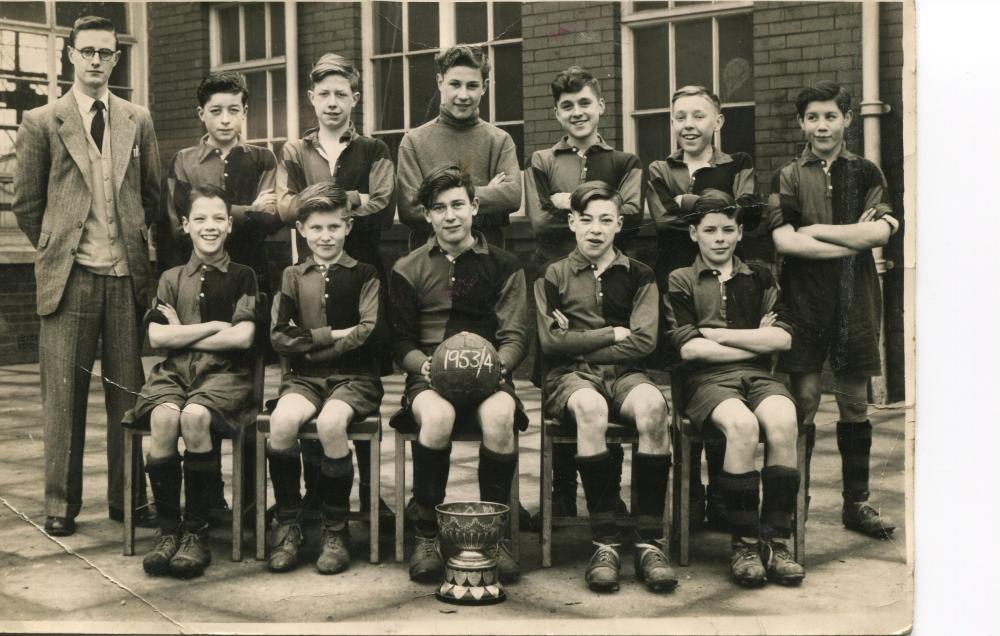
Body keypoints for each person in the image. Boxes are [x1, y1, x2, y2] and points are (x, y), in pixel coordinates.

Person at [12, 15, 161, 536]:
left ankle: (128, 500)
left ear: (116, 59)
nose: (96, 60)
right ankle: (60, 504)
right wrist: (59, 248)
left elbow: (151, 195)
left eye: (105, 52)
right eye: (87, 51)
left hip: (125, 279)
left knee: (129, 396)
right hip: (70, 279)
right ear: (70, 56)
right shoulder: (41, 122)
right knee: (63, 398)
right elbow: (27, 204)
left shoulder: (136, 119)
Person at [768, 81, 899, 539]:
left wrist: (816, 229)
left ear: (847, 119)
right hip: (803, 299)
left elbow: (880, 234)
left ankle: (855, 504)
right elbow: (784, 240)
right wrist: (849, 238)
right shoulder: (787, 174)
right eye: (812, 117)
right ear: (801, 123)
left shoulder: (866, 172)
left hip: (855, 297)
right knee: (802, 401)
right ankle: (793, 503)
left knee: (853, 402)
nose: (821, 125)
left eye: (830, 116)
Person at [388, 166, 529, 584]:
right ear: (427, 216)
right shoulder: (407, 267)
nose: (450, 216)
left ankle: (494, 535)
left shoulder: (504, 264)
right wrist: (424, 366)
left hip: (489, 375)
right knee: (437, 417)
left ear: (475, 206)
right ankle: (428, 533)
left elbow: (516, 335)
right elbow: (399, 342)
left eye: (458, 205)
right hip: (430, 376)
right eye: (439, 208)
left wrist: (497, 366)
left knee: (501, 416)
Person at [535, 181, 676, 594]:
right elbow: (549, 344)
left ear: (619, 224)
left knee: (653, 407)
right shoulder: (553, 274)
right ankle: (606, 542)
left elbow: (645, 340)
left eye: (606, 220)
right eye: (587, 220)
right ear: (572, 222)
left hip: (628, 374)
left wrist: (581, 339)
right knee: (590, 410)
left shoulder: (640, 274)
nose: (595, 230)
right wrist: (612, 333)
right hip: (570, 377)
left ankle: (650, 542)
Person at [275, 53, 396, 520]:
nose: (332, 102)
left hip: (361, 270)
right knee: (306, 374)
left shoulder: (374, 151)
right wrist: (350, 200)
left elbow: (383, 206)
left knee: (355, 376)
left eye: (341, 94)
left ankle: (368, 495)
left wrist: (321, 202)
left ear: (355, 99)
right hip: (307, 273)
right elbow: (285, 210)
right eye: (323, 94)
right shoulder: (293, 152)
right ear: (311, 99)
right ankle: (314, 496)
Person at [664, 189, 805, 587]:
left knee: (783, 419)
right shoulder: (681, 280)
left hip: (760, 377)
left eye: (728, 229)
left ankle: (777, 541)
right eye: (710, 230)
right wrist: (750, 340)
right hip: (707, 382)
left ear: (741, 232)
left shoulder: (760, 275)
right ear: (694, 234)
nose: (720, 238)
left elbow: (782, 340)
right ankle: (744, 545)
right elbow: (690, 349)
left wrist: (717, 335)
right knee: (742, 427)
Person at [159, 70, 282, 519]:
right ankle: (208, 503)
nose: (225, 119)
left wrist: (216, 210)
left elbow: (272, 219)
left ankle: (249, 507)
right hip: (198, 282)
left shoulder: (263, 159)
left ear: (245, 113)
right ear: (201, 115)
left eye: (234, 110)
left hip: (250, 280)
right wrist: (245, 212)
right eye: (216, 111)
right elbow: (176, 223)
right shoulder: (184, 160)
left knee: (248, 392)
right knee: (197, 377)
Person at [524, 65, 643, 525]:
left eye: (585, 103)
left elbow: (630, 217)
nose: (578, 113)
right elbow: (538, 223)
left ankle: (608, 497)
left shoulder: (625, 161)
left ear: (601, 106)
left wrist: (566, 202)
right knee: (561, 383)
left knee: (606, 379)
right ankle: (559, 498)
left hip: (607, 283)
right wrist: (589, 207)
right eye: (568, 106)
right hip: (556, 281)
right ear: (557, 112)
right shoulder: (541, 160)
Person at [122, 185, 258, 578]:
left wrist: (187, 330)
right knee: (164, 419)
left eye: (218, 218)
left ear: (230, 225)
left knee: (195, 417)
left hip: (224, 375)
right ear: (185, 225)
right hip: (174, 373)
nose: (209, 227)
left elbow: (243, 338)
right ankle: (169, 531)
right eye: (200, 219)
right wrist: (217, 324)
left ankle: (195, 533)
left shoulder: (244, 276)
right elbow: (158, 338)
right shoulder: (169, 278)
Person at [645, 85, 759, 530]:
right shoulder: (659, 168)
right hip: (674, 280)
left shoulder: (739, 164)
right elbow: (660, 220)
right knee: (681, 385)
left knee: (720, 382)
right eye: (679, 117)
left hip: (726, 280)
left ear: (718, 121)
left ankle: (721, 495)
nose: (688, 125)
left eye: (698, 115)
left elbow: (746, 212)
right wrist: (714, 205)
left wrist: (686, 204)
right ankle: (689, 495)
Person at [265, 183, 385, 575]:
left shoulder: (366, 273)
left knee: (333, 423)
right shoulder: (292, 276)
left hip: (355, 378)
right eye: (316, 228)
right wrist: (328, 336)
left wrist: (312, 347)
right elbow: (279, 335)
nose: (325, 236)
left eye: (334, 226)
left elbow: (368, 330)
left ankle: (336, 530)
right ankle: (289, 523)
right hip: (304, 380)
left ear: (348, 227)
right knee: (282, 423)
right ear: (301, 229)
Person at [396, 45, 522, 250]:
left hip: (487, 257)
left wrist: (435, 199)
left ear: (485, 86)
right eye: (455, 84)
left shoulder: (500, 140)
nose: (463, 95)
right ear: (440, 82)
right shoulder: (413, 142)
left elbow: (512, 196)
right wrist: (485, 196)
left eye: (472, 86)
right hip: (429, 260)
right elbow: (410, 210)